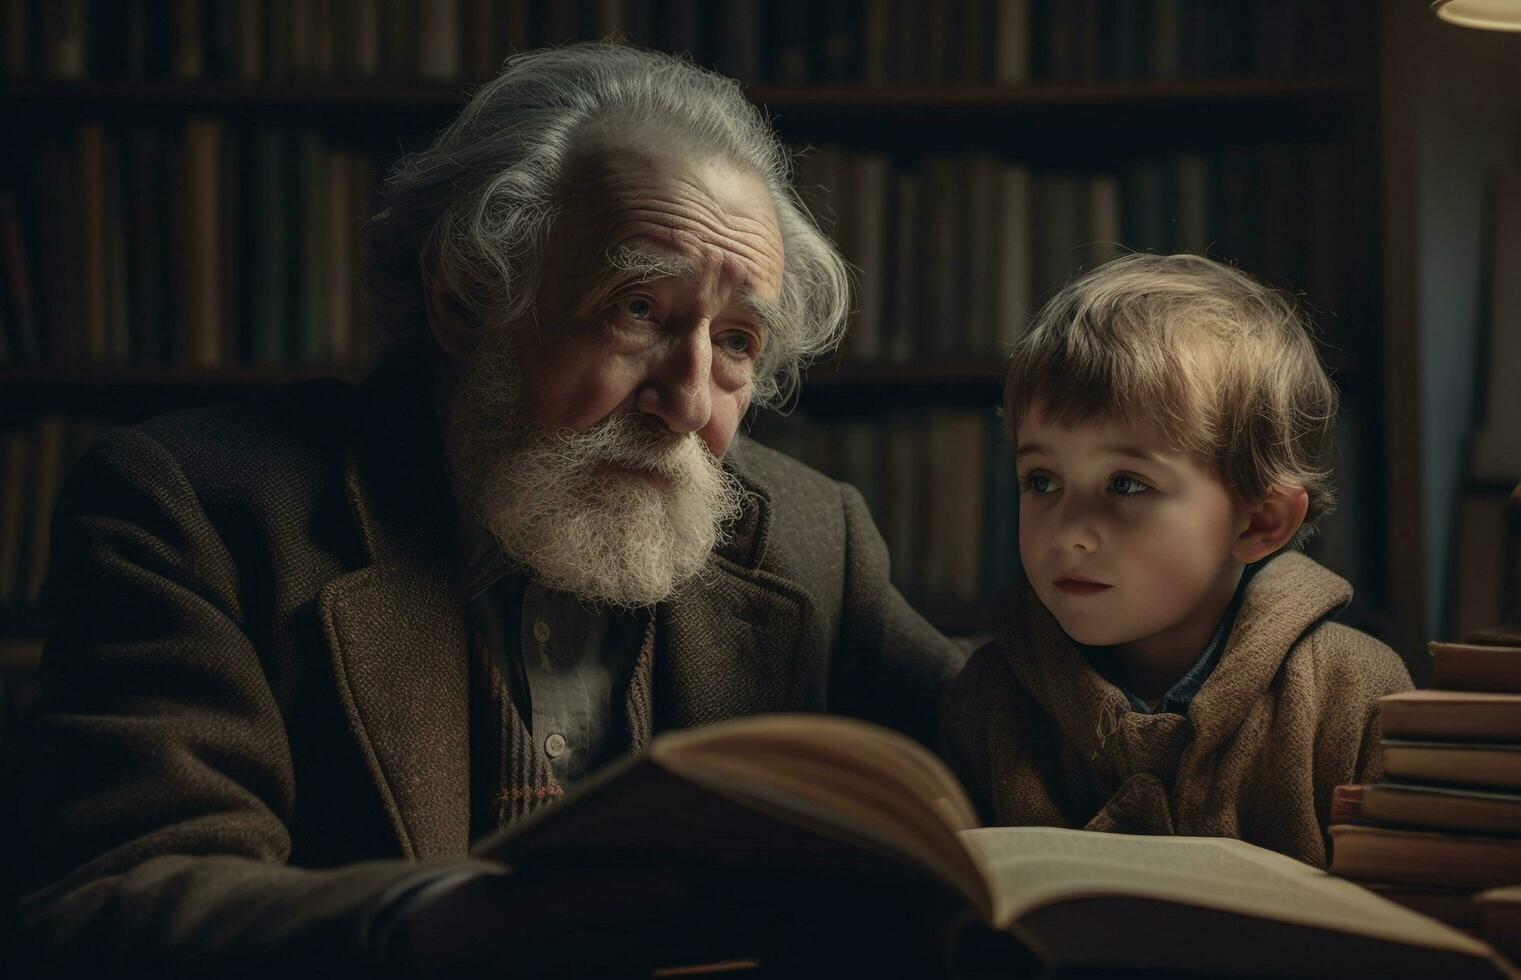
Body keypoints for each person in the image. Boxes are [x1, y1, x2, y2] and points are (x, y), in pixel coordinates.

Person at [12, 44, 964, 977]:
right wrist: (469, 924)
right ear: (466, 298)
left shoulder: (812, 534)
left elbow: (1001, 734)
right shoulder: (197, 509)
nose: (686, 397)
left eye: (736, 341)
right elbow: (115, 903)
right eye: (637, 309)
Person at [939, 253, 1413, 867]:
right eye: (1042, 481)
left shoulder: (1356, 697)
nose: (1069, 534)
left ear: (1260, 521)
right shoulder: (989, 700)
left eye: (1127, 485)